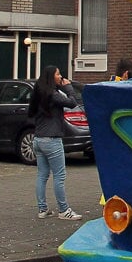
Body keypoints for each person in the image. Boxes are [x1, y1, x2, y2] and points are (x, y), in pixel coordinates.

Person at [29, 64, 81, 220]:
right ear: (52, 77)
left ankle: (42, 209)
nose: (61, 76)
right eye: (58, 74)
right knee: (59, 176)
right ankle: (64, 210)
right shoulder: (53, 94)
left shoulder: (38, 93)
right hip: (51, 140)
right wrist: (69, 88)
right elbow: (72, 102)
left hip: (38, 139)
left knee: (42, 175)